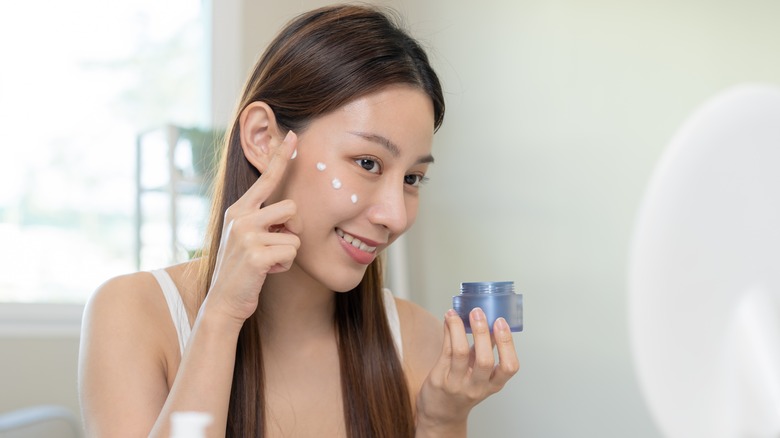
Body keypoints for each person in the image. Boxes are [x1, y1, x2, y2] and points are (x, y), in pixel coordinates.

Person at [78, 4, 519, 437]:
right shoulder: (132, 315)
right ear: (264, 139)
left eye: (412, 178)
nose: (395, 215)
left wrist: (442, 421)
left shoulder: (418, 338)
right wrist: (221, 316)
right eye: (367, 162)